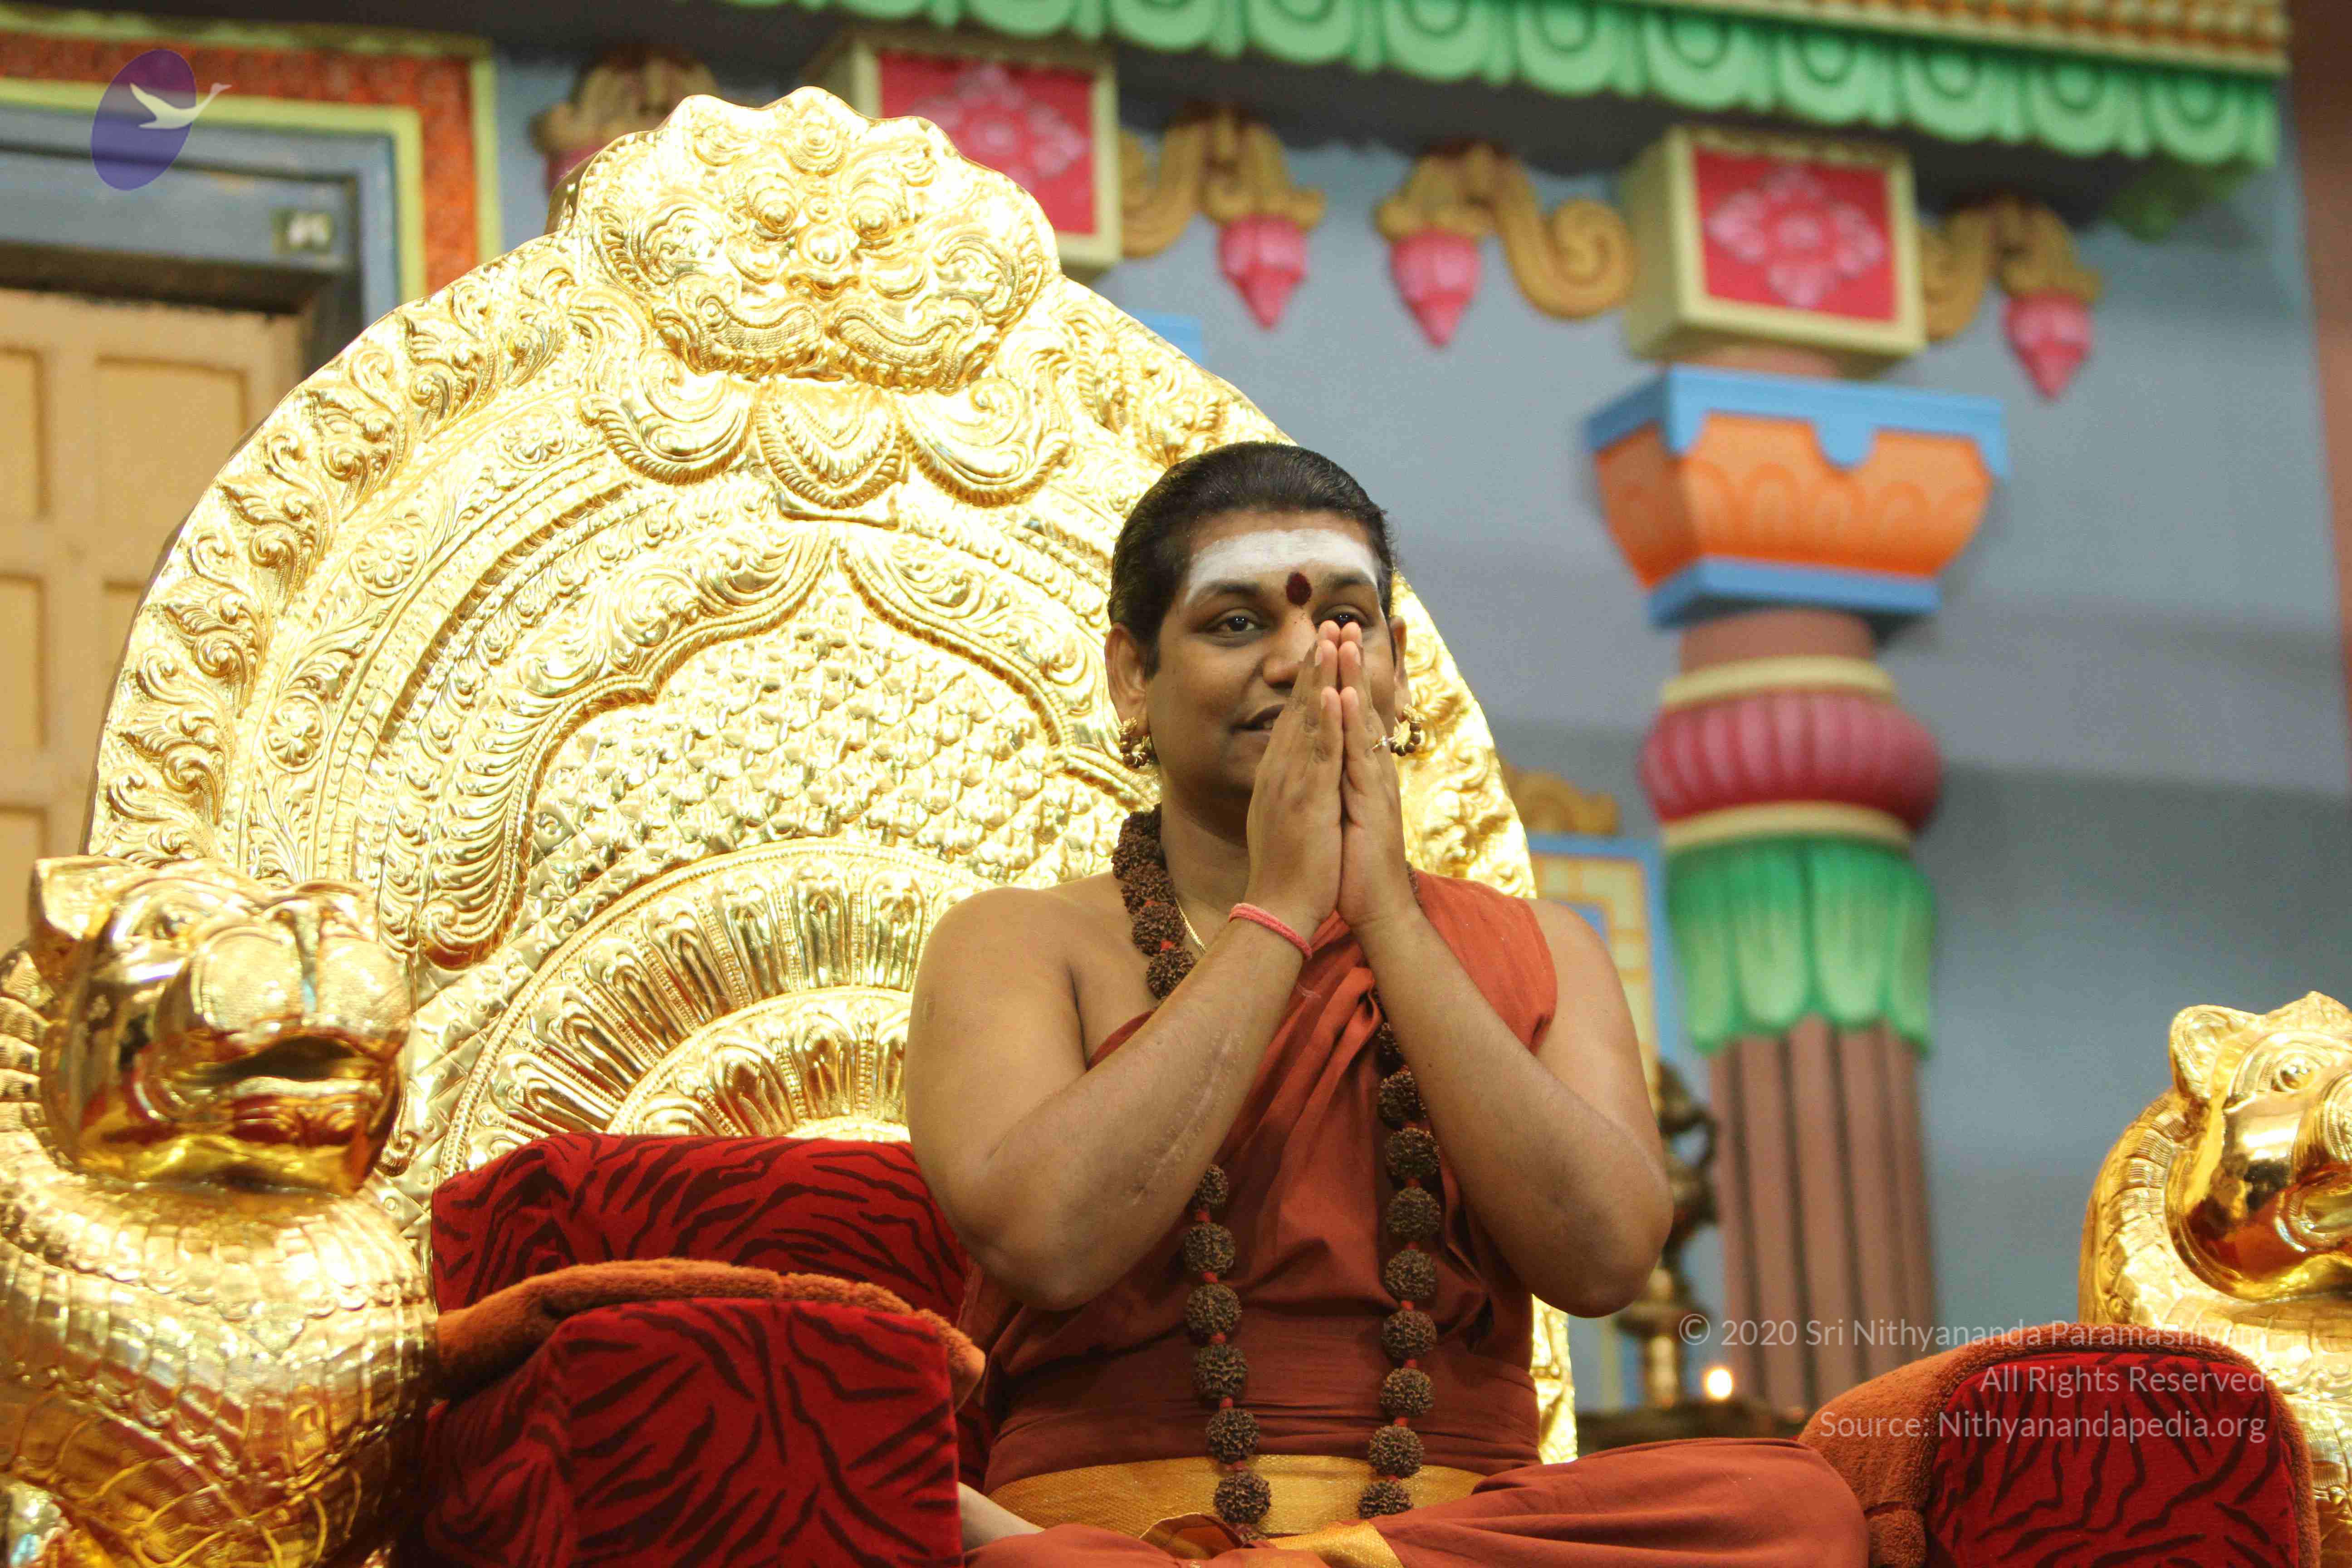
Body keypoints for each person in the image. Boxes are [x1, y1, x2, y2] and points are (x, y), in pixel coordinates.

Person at [904, 444, 1867, 1566]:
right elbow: (1047, 1243)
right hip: (1112, 1522)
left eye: (1342, 621)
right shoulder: (1015, 941)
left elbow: (1606, 1261)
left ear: (1398, 670)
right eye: (1234, 623)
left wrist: (1389, 919)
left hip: (1450, 1533)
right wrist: (1279, 913)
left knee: (1794, 1507)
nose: (1295, 661)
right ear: (1131, 676)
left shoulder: (1545, 949)